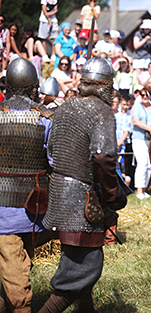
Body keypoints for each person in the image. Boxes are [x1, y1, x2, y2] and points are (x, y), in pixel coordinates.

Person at [39, 57, 126, 312]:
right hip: (81, 196)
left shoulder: (65, 107)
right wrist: (112, 194)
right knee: (84, 267)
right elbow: (103, 157)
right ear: (105, 87)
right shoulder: (101, 111)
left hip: (58, 190)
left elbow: (53, 149)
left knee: (78, 259)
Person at [0, 57, 53, 313]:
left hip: (5, 213)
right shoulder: (45, 119)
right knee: (18, 271)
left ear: (7, 86)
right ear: (34, 87)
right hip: (33, 210)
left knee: (16, 268)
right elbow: (54, 161)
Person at [132, 87, 151, 199]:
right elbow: (135, 121)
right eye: (142, 95)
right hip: (139, 138)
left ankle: (144, 190)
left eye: (146, 95)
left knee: (149, 165)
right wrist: (149, 128)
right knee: (142, 163)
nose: (144, 97)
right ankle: (139, 191)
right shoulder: (137, 106)